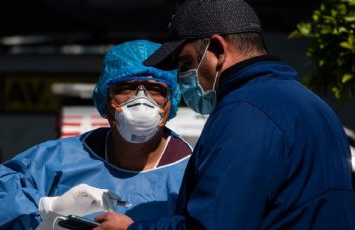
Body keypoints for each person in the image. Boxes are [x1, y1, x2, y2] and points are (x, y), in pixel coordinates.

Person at [94, 1, 355, 229]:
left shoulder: (245, 112)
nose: (185, 79)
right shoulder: (311, 105)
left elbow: (215, 225)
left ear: (217, 50)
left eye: (185, 64)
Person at [0, 40, 193, 229]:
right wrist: (46, 207)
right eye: (126, 88)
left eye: (155, 89)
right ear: (106, 101)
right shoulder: (57, 160)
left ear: (170, 102)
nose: (141, 101)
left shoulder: (193, 172)